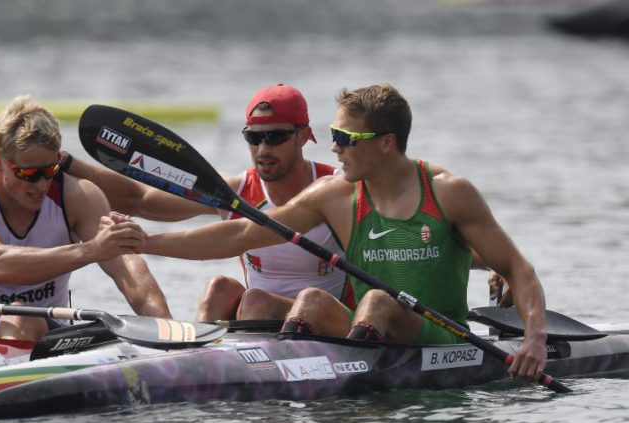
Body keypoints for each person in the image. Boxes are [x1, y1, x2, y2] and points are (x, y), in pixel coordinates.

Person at [135, 83, 548, 380]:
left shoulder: (449, 192)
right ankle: (278, 379)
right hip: (366, 326)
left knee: (378, 301)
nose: (334, 148)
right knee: (311, 300)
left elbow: (520, 268)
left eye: (345, 138)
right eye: (335, 136)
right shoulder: (334, 196)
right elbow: (241, 236)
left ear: (386, 143)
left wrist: (533, 340)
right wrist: (147, 242)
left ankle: (343, 381)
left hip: (438, 336)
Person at [67, 84, 345, 322]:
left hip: (328, 319)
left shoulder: (337, 188)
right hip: (261, 316)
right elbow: (138, 199)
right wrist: (67, 164)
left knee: (255, 301)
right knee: (219, 288)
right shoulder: (235, 191)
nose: (263, 149)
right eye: (254, 137)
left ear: (303, 136)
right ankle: (194, 353)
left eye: (275, 137)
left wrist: (148, 242)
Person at [0, 95, 170, 342]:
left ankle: (7, 365)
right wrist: (91, 250)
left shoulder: (78, 196)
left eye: (50, 170)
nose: (42, 185)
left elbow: (129, 271)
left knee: (19, 314)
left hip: (45, 335)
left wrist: (168, 332)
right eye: (28, 173)